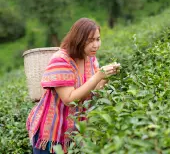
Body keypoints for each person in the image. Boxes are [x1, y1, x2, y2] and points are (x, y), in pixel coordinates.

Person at [26, 18, 120, 154]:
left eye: (98, 39)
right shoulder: (61, 59)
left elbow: (93, 91)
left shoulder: (90, 58)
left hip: (75, 132)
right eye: (90, 40)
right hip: (52, 132)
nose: (96, 45)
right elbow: (69, 100)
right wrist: (98, 76)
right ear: (78, 39)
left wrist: (105, 78)